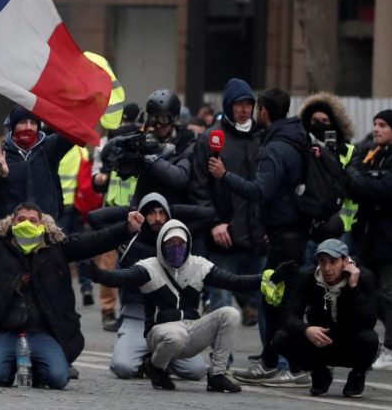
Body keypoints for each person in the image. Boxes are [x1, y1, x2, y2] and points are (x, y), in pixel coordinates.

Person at [0, 199, 143, 389]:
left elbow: (96, 240)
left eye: (33, 220)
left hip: (44, 333)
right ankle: (10, 365)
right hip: (4, 332)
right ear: (12, 223)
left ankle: (35, 367)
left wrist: (127, 228)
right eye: (21, 219)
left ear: (42, 225)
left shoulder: (58, 248)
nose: (27, 223)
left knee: (57, 378)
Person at [85, 219, 297, 393]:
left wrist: (270, 277)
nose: (176, 249)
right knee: (176, 335)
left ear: (188, 245)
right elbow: (120, 278)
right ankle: (156, 367)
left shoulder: (199, 266)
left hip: (189, 329)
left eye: (180, 244)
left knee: (230, 314)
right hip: (160, 333)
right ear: (161, 245)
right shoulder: (149, 267)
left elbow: (235, 281)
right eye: (170, 244)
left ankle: (217, 375)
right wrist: (97, 274)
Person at [210, 88, 310, 386]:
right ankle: (270, 362)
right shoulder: (296, 136)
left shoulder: (277, 146)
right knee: (272, 300)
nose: (252, 112)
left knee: (282, 302)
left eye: (255, 106)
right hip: (289, 230)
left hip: (286, 235)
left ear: (264, 110)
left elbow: (260, 190)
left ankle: (293, 366)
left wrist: (224, 176)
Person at [101, 194, 209, 381]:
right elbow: (95, 218)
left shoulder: (177, 243)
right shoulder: (131, 243)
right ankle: (149, 357)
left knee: (196, 371)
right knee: (123, 367)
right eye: (151, 213)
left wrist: (173, 209)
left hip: (171, 320)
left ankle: (156, 360)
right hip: (137, 317)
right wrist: (130, 210)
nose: (157, 218)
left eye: (162, 213)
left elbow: (209, 214)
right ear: (142, 215)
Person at [189, 78, 265, 324]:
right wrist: (215, 222)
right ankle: (222, 360)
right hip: (225, 237)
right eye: (239, 104)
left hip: (259, 236)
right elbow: (199, 187)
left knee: (268, 300)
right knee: (222, 303)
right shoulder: (211, 139)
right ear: (229, 105)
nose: (244, 110)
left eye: (248, 104)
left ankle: (272, 360)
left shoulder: (262, 136)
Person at [273, 239, 378, 397]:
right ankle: (319, 372)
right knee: (281, 338)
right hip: (320, 340)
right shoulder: (308, 277)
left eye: (333, 262)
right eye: (322, 262)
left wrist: (353, 287)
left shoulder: (364, 277)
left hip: (350, 342)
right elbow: (289, 315)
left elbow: (369, 321)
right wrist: (306, 329)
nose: (327, 269)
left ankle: (357, 375)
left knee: (370, 339)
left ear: (344, 261)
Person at [345, 109, 392, 369]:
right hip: (369, 238)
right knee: (371, 293)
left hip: (389, 241)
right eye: (375, 124)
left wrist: (365, 180)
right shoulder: (372, 154)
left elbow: (385, 188)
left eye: (383, 125)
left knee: (389, 294)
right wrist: (365, 178)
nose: (376, 129)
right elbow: (352, 178)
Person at [0, 106, 74, 222]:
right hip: (10, 225)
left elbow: (75, 130)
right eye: (23, 122)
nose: (28, 127)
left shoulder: (50, 147)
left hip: (45, 226)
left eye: (33, 123)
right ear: (13, 126)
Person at [298, 93, 358, 253]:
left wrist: (332, 156)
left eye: (325, 121)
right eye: (314, 121)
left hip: (342, 227)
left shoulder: (349, 151)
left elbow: (354, 183)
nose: (319, 125)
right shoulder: (302, 150)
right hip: (308, 226)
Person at [130, 89, 197, 207]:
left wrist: (152, 159)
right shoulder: (145, 140)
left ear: (174, 119)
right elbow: (139, 186)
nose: (158, 125)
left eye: (164, 119)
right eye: (154, 119)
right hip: (148, 211)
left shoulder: (186, 144)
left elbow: (180, 179)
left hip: (174, 211)